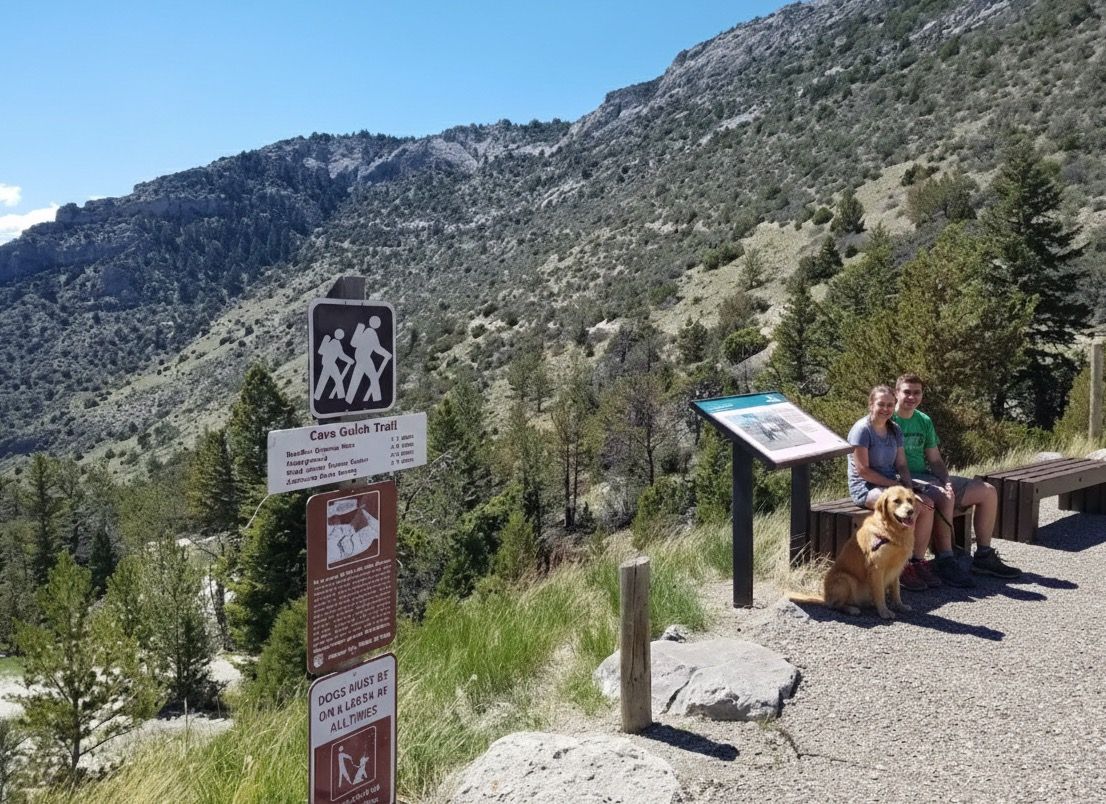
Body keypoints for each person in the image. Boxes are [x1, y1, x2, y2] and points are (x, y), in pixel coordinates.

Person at [892, 373, 1022, 583]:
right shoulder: (890, 420)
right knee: (943, 497)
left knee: (987, 491)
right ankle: (945, 559)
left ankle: (984, 556)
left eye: (917, 393)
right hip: (904, 480)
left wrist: (947, 480)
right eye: (906, 392)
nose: (911, 397)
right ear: (896, 393)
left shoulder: (923, 420)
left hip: (928, 477)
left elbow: (935, 459)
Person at [846, 385, 940, 592]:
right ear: (871, 404)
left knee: (926, 505)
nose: (886, 409)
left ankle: (916, 561)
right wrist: (895, 487)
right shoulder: (862, 430)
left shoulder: (894, 430)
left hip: (891, 485)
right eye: (881, 404)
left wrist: (908, 489)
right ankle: (901, 565)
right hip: (866, 488)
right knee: (898, 511)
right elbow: (864, 471)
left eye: (890, 405)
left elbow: (902, 465)